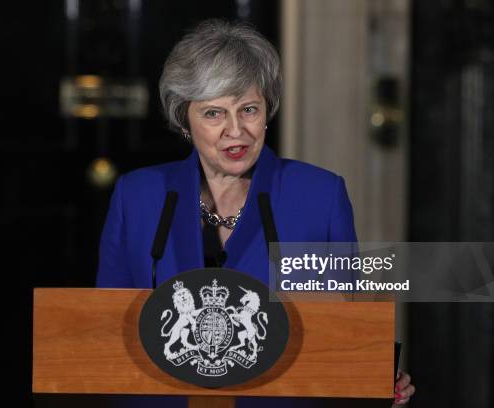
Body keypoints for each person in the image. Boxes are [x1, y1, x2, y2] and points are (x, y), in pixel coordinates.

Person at [97, 19, 415, 407]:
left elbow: (342, 330)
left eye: (249, 109)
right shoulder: (137, 196)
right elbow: (105, 331)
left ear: (267, 110)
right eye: (214, 114)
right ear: (185, 120)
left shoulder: (319, 195)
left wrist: (373, 375)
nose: (236, 131)